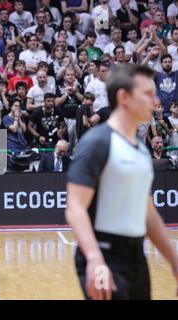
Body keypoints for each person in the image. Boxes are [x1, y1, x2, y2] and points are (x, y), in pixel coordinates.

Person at [66, 64, 178, 300]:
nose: (156, 100)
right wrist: (95, 259)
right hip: (104, 255)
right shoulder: (96, 143)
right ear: (124, 97)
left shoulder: (141, 150)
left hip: (137, 257)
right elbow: (75, 209)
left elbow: (148, 214)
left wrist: (175, 262)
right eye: (148, 94)